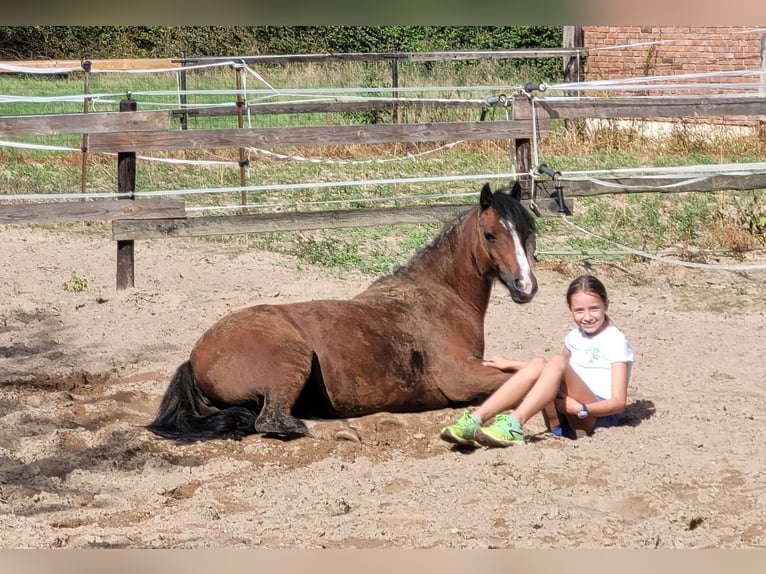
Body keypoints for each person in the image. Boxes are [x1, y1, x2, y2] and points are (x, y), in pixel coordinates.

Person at [440, 274, 634, 447]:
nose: (587, 317)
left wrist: (583, 409)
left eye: (594, 309)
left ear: (606, 305)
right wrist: (512, 364)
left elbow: (618, 402)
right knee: (540, 363)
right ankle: (475, 420)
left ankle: (514, 422)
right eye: (579, 311)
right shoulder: (574, 337)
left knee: (557, 361)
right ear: (570, 310)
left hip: (595, 416)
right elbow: (552, 371)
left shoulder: (615, 340)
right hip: (564, 415)